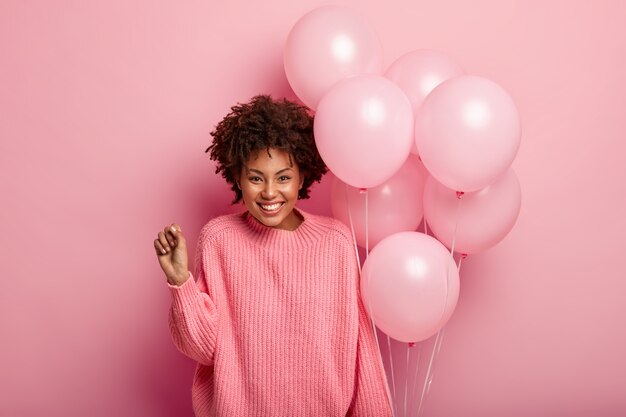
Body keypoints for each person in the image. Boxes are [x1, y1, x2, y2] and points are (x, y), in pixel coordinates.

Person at [153, 95, 392, 416]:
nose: (269, 192)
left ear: (302, 178)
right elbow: (204, 348)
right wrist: (180, 281)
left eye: (283, 177)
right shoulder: (219, 239)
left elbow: (361, 347)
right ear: (237, 177)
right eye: (255, 178)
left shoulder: (335, 242)